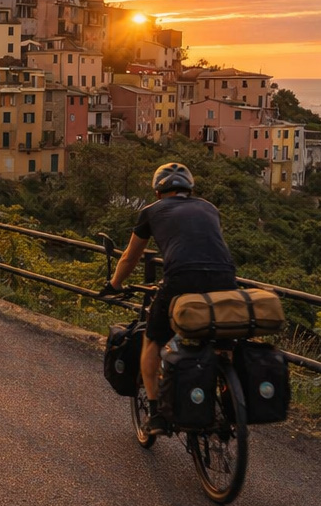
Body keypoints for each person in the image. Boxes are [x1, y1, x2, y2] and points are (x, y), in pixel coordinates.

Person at [101, 162, 237, 434]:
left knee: (152, 341)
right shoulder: (210, 208)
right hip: (225, 276)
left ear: (157, 192)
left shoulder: (151, 212)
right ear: (190, 189)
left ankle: (156, 415)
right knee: (221, 338)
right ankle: (230, 400)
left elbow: (130, 256)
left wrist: (115, 283)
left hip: (181, 278)